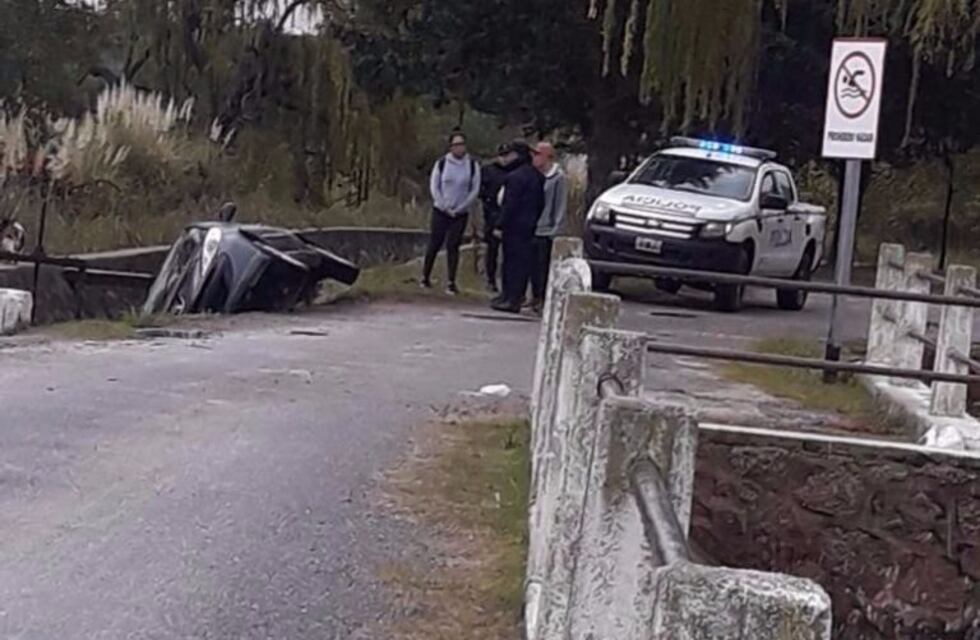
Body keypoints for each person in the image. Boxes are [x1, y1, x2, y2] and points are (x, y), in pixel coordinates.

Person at [422, 130, 481, 294]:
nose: (459, 148)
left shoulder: (472, 165)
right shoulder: (442, 163)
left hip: (460, 212)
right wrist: (443, 205)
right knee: (435, 242)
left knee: (453, 245)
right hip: (441, 210)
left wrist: (462, 207)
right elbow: (435, 186)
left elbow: (474, 189)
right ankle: (425, 276)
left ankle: (451, 281)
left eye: (462, 144)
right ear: (450, 147)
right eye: (456, 145)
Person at [492, 140, 545, 313]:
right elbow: (540, 204)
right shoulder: (537, 176)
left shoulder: (515, 177)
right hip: (529, 225)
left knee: (511, 262)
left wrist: (500, 225)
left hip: (514, 226)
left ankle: (510, 298)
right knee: (522, 263)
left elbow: (510, 204)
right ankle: (513, 296)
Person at [529, 142, 568, 312]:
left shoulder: (558, 178)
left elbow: (560, 205)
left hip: (547, 229)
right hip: (532, 226)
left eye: (538, 154)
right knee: (532, 267)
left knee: (543, 267)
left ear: (548, 156)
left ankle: (543, 299)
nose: (534, 157)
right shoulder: (533, 175)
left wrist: (555, 230)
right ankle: (534, 296)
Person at [478, 143, 513, 293]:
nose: (504, 159)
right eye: (502, 155)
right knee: (491, 249)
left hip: (509, 214)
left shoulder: (514, 171)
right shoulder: (488, 170)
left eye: (507, 155)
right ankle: (490, 279)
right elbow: (480, 190)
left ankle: (507, 282)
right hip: (492, 213)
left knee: (508, 252)